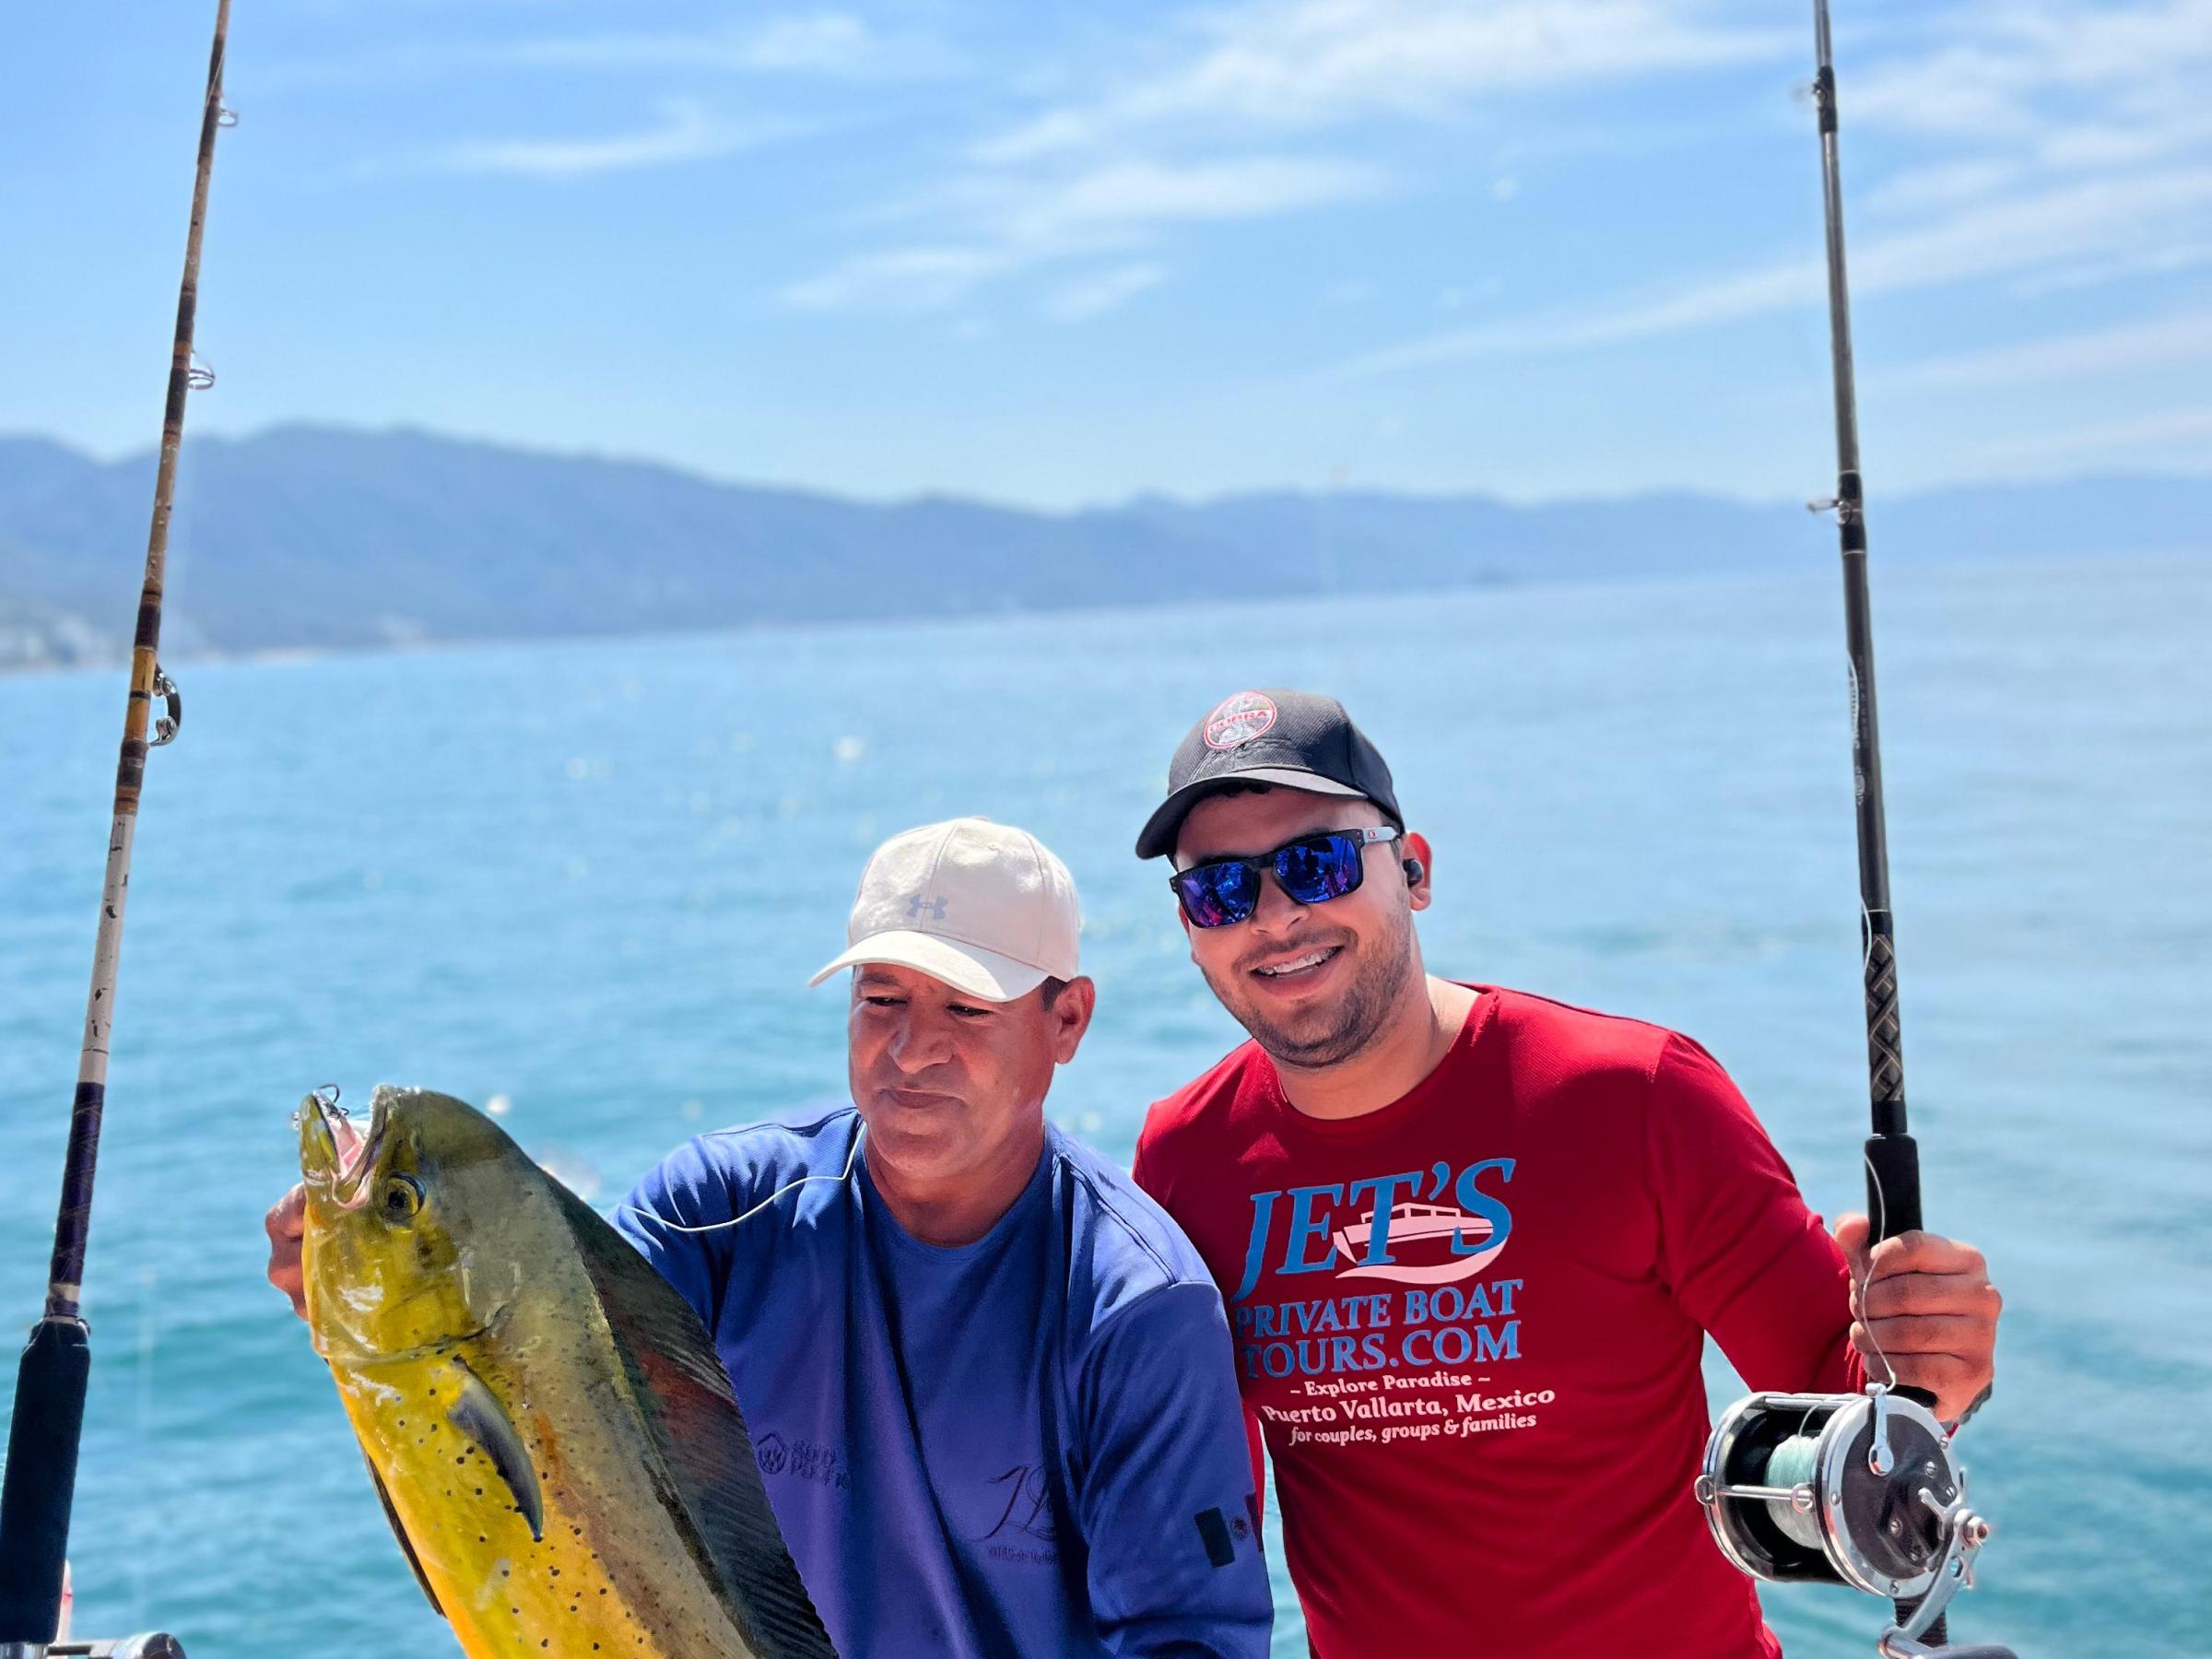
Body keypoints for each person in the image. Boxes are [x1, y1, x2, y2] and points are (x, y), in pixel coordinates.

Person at [1127, 689, 2003, 1658]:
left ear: (1414, 871)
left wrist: (1931, 1365)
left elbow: (1853, 1405)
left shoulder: (1637, 1097)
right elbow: (1199, 1506)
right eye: (1221, 890)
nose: (1277, 916)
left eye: (1316, 864)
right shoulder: (1183, 1160)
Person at [270, 816, 1272, 1659]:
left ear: (1067, 1021)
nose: (913, 1049)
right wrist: (364, 1288)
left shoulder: (1136, 1307)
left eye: (966, 1008)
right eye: (881, 1000)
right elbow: (530, 1435)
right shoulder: (714, 1213)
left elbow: (1192, 1638)